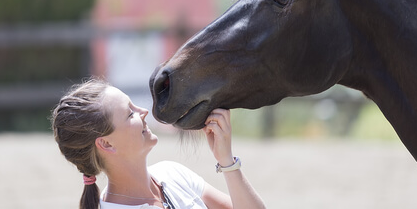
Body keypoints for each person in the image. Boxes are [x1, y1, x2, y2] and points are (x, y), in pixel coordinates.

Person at [51, 78, 266, 209]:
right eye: (129, 114)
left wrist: (226, 161)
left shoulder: (171, 173)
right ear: (106, 144)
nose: (143, 112)